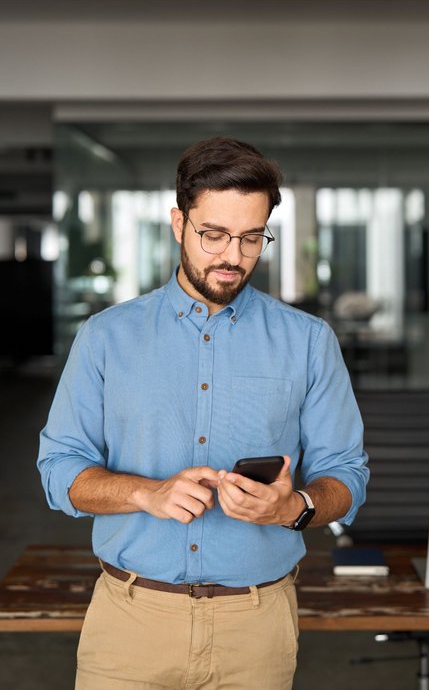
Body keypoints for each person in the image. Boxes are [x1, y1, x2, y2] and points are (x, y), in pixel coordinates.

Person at [38, 136, 368, 690]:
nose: (232, 256)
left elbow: (347, 473)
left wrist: (296, 507)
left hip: (256, 627)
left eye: (250, 237)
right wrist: (145, 493)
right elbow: (58, 472)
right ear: (178, 223)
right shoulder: (105, 338)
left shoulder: (308, 341)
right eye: (213, 234)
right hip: (130, 622)